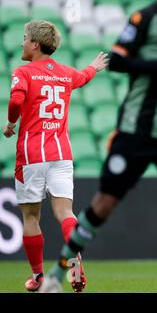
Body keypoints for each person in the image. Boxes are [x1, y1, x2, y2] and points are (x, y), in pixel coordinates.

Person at [41, 0, 157, 293]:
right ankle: (57, 272)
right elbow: (117, 60)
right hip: (135, 130)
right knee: (104, 204)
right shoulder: (145, 17)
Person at [2, 20, 108, 292]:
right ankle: (74, 262)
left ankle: (38, 277)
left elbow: (15, 102)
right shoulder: (64, 73)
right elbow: (82, 77)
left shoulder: (23, 72)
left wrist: (12, 123)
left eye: (25, 38)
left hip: (32, 154)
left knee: (31, 217)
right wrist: (94, 67)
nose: (22, 42)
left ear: (35, 44)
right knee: (65, 213)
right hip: (61, 153)